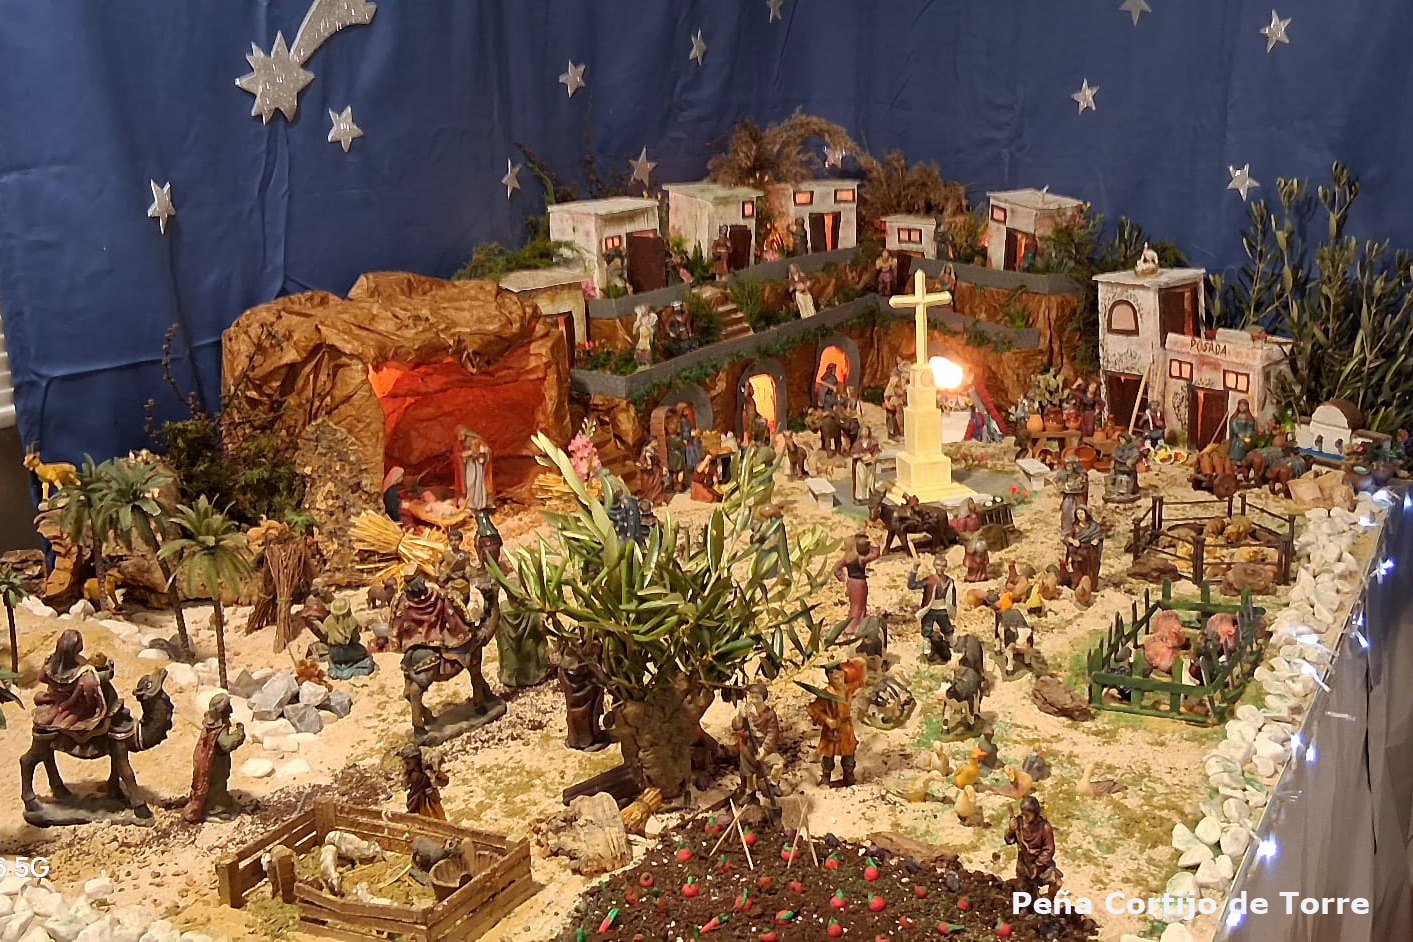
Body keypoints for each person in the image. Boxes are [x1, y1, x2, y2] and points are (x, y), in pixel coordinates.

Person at [33, 629, 118, 737]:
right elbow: (89, 697)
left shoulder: (49, 662)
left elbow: (41, 678)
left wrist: (57, 688)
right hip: (72, 704)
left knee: (39, 698)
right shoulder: (84, 672)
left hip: (58, 697)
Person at [182, 694, 245, 823]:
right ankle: (215, 809)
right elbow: (226, 744)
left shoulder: (217, 726)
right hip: (214, 764)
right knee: (216, 785)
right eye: (228, 707)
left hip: (218, 761)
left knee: (221, 783)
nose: (231, 710)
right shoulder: (218, 730)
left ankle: (222, 802)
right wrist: (239, 734)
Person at [807, 658, 867, 787]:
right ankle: (826, 777)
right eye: (836, 678)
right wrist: (827, 720)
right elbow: (813, 709)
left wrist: (861, 662)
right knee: (828, 756)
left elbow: (860, 680)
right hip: (832, 729)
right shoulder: (826, 694)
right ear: (829, 678)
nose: (840, 681)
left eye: (841, 677)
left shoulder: (847, 689)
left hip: (846, 728)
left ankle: (848, 776)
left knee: (849, 754)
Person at [732, 683, 783, 810]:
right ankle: (750, 792)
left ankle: (773, 784)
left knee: (778, 764)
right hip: (748, 745)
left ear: (763, 698)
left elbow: (772, 733)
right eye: (752, 697)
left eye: (757, 697)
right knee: (749, 771)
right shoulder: (747, 710)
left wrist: (764, 749)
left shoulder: (769, 714)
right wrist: (740, 717)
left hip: (763, 744)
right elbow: (736, 726)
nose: (754, 700)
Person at [1006, 795, 1062, 898]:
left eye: (1027, 815)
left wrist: (1038, 865)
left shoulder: (1044, 827)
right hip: (1024, 866)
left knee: (1056, 882)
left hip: (1041, 865)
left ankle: (1047, 900)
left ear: (1035, 813)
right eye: (1023, 814)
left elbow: (1049, 849)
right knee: (1024, 893)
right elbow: (1009, 840)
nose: (1024, 818)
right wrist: (1011, 830)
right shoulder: (1019, 823)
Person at [909, 554, 956, 664]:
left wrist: (952, 609)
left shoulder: (949, 581)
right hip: (929, 610)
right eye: (938, 565)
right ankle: (927, 654)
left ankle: (953, 651)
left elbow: (952, 597)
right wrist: (915, 568)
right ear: (934, 565)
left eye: (943, 565)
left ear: (946, 567)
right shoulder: (929, 580)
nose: (940, 568)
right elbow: (912, 585)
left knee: (948, 630)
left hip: (943, 610)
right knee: (926, 632)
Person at [834, 533, 882, 636]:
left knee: (855, 604)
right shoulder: (861, 559)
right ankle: (852, 627)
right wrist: (875, 544)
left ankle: (857, 625)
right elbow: (875, 554)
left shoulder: (847, 558)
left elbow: (836, 568)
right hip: (859, 584)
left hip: (851, 582)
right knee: (859, 606)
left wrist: (842, 577)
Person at [321, 598, 376, 679]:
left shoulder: (328, 621)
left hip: (334, 652)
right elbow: (356, 639)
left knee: (334, 659)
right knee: (366, 655)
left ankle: (337, 671)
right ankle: (350, 672)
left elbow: (325, 634)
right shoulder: (352, 622)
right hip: (350, 650)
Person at [1062, 506, 1104, 590]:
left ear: (1086, 514)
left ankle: (1090, 587)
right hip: (1078, 553)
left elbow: (1099, 536)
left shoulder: (1094, 526)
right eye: (1078, 513)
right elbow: (1067, 537)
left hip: (1090, 553)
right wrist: (1072, 541)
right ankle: (1077, 586)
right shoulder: (1075, 526)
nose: (1080, 515)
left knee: (1090, 571)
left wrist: (1096, 540)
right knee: (1077, 570)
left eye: (1081, 513)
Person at [401, 744, 448, 820]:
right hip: (416, 800)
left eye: (408, 763)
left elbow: (444, 780)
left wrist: (433, 780)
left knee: (434, 815)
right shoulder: (412, 774)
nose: (406, 766)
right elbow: (405, 785)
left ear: (415, 760)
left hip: (429, 799)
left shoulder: (427, 772)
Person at [455, 427, 492, 511]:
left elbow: (484, 451)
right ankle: (471, 503)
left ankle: (478, 503)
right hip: (469, 465)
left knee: (476, 484)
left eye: (460, 435)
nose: (459, 437)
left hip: (476, 466)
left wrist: (473, 454)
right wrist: (464, 456)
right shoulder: (462, 443)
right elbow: (459, 453)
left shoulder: (476, 441)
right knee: (470, 484)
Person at [1054, 456, 1089, 538]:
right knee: (1066, 510)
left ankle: (1080, 530)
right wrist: (1062, 487)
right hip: (1068, 496)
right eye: (1067, 465)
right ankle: (1067, 530)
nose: (1069, 468)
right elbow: (1056, 481)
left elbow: (1084, 486)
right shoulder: (1063, 473)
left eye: (1070, 465)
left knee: (1079, 512)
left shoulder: (1081, 474)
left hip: (1078, 496)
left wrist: (1079, 485)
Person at [1107, 432, 1142, 501]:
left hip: (1128, 468)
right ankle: (1117, 491)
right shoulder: (1119, 448)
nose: (1121, 441)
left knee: (1126, 479)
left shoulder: (1133, 449)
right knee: (1117, 478)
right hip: (1119, 466)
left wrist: (1132, 460)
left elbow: (1136, 455)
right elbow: (1114, 455)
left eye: (1123, 439)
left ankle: (1128, 491)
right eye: (1120, 439)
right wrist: (1113, 461)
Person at [850, 426, 880, 503]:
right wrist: (861, 455)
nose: (865, 432)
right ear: (860, 432)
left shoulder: (873, 443)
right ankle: (860, 497)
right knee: (861, 480)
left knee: (870, 480)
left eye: (867, 430)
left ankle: (869, 495)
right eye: (864, 430)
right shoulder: (857, 444)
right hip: (861, 464)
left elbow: (877, 453)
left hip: (871, 464)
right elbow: (853, 455)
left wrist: (873, 459)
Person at [1228, 399, 1257, 463]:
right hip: (1237, 436)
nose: (1242, 407)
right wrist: (1238, 433)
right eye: (1240, 406)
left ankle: (1243, 460)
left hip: (1245, 436)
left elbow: (1250, 427)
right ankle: (1234, 460)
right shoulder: (1235, 416)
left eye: (1243, 406)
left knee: (1244, 445)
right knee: (1236, 445)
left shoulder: (1249, 417)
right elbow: (1233, 425)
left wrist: (1248, 434)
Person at [677, 404, 705, 470]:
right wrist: (689, 435)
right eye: (685, 410)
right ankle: (692, 465)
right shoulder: (683, 421)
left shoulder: (686, 420)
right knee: (690, 452)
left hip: (690, 439)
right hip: (688, 440)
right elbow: (685, 431)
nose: (687, 412)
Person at [883, 364, 906, 440]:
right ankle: (901, 429)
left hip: (901, 402)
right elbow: (891, 394)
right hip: (892, 402)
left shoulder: (904, 380)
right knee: (898, 406)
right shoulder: (894, 381)